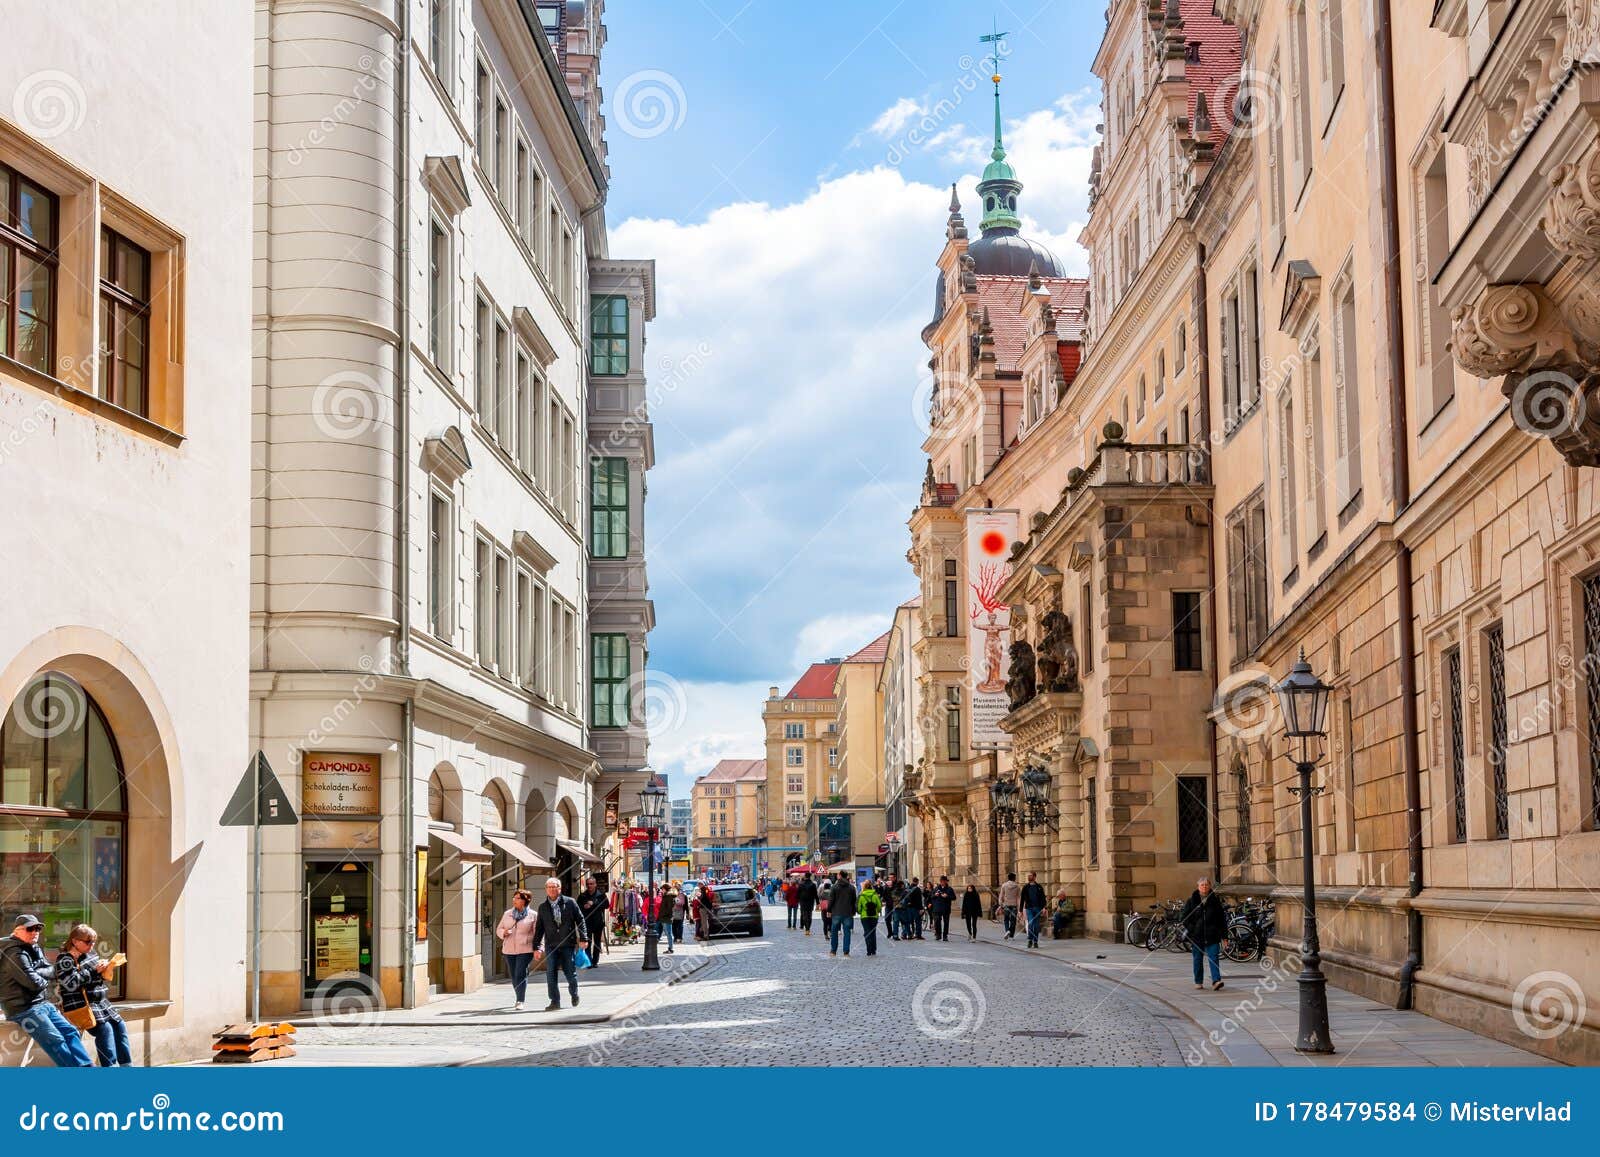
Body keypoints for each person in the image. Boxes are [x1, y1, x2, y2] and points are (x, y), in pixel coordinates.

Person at [0, 914, 92, 1068]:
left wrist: (37, 972)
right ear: (17, 931)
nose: (35, 932)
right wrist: (43, 977)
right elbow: (34, 983)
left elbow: (52, 970)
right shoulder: (14, 953)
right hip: (23, 1008)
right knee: (56, 1040)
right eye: (30, 929)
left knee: (71, 1031)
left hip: (41, 1003)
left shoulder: (33, 947)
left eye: (38, 928)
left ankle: (87, 1066)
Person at [54, 923, 130, 1067]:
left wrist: (106, 968)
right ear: (75, 941)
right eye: (88, 942)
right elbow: (70, 984)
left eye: (94, 942)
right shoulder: (65, 959)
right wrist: (94, 971)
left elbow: (96, 978)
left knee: (120, 1027)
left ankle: (127, 1066)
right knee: (105, 1030)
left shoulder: (91, 953)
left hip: (101, 1002)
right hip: (83, 1004)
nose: (92, 945)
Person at [530, 877, 588, 1012]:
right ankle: (554, 1001)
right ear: (546, 889)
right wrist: (536, 947)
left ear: (559, 888)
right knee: (551, 974)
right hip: (551, 945)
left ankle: (574, 993)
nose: (551, 889)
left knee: (570, 973)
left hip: (567, 944)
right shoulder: (543, 907)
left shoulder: (570, 902)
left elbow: (580, 920)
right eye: (549, 887)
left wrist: (583, 938)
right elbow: (539, 929)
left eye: (554, 887)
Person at [1181, 876, 1229, 991]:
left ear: (1209, 886)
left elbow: (1222, 920)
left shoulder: (1215, 901)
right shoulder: (1191, 900)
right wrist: (1193, 929)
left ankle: (1216, 981)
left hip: (1212, 935)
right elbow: (1184, 918)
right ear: (1198, 887)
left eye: (1206, 885)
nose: (1204, 887)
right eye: (1202, 885)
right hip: (1197, 936)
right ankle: (1198, 981)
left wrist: (1224, 937)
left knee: (1214, 958)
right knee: (1197, 959)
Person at [495, 889, 538, 1010]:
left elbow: (538, 934)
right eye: (514, 897)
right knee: (514, 975)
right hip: (509, 949)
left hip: (526, 949)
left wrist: (538, 948)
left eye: (518, 898)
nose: (514, 900)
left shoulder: (533, 915)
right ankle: (518, 995)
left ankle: (520, 1000)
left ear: (525, 900)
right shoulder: (507, 914)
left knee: (520, 973)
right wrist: (503, 932)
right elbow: (498, 929)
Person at [575, 876, 609, 969]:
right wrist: (584, 906)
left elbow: (606, 905)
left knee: (597, 942)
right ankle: (589, 962)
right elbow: (577, 907)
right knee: (588, 942)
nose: (589, 886)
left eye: (591, 884)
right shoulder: (582, 896)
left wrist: (594, 903)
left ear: (595, 884)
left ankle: (595, 961)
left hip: (598, 922)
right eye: (588, 884)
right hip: (587, 922)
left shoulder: (601, 895)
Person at [828, 871, 857, 957]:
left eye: (838, 874)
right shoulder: (851, 888)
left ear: (840, 876)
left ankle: (833, 951)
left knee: (834, 932)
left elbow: (831, 900)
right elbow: (854, 901)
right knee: (847, 933)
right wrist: (853, 911)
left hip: (836, 912)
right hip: (848, 912)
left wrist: (829, 910)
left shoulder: (834, 887)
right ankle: (846, 952)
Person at [1021, 872, 1048, 948]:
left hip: (1038, 908)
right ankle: (1030, 940)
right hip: (1029, 908)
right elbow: (1022, 899)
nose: (1029, 877)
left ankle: (1035, 941)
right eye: (1028, 876)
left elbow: (1043, 898)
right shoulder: (1025, 887)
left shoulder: (1039, 887)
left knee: (1036, 926)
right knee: (1030, 923)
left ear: (1034, 877)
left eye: (1030, 876)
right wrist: (1020, 911)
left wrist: (1044, 908)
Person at [857, 878, 882, 957]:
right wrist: (877, 911)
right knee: (873, 932)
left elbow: (859, 908)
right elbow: (879, 906)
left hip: (865, 917)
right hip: (874, 916)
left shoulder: (862, 896)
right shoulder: (875, 895)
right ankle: (873, 950)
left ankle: (869, 950)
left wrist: (861, 912)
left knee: (867, 932)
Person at [929, 876, 956, 942]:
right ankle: (938, 935)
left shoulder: (949, 889)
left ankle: (945, 936)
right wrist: (935, 895)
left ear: (946, 881)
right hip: (938, 908)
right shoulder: (936, 888)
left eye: (943, 881)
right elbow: (931, 897)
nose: (942, 882)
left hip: (946, 908)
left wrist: (947, 896)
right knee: (937, 921)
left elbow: (954, 897)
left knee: (946, 922)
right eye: (941, 881)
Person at [998, 872, 1021, 940]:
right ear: (1014, 878)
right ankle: (1011, 936)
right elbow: (1019, 898)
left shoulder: (1004, 885)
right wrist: (1019, 907)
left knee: (1006, 919)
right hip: (1014, 905)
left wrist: (1001, 904)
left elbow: (1001, 896)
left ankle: (1007, 930)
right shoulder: (1017, 886)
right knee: (1013, 920)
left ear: (1008, 878)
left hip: (1006, 905)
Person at [656, 883, 678, 953]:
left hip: (667, 918)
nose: (661, 890)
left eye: (662, 889)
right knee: (668, 933)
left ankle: (671, 948)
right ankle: (670, 948)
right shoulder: (666, 896)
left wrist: (663, 915)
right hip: (664, 917)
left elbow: (669, 908)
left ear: (665, 889)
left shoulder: (669, 896)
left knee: (669, 933)